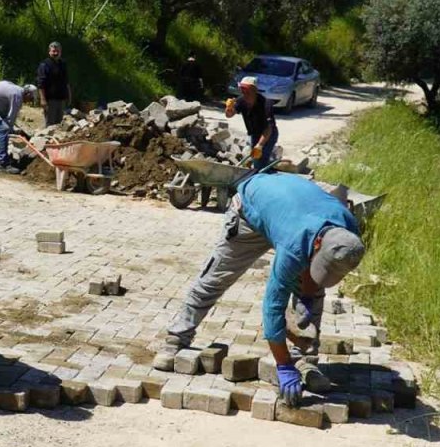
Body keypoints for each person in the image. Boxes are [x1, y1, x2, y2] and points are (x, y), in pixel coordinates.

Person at [152, 174, 366, 406]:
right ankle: (177, 337)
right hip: (250, 211)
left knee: (314, 294)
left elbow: (317, 262)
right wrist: (282, 366)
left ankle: (305, 358)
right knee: (216, 276)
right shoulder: (294, 244)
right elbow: (273, 306)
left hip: (291, 214)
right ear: (317, 244)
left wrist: (306, 294)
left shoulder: (348, 233)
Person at [226, 76, 278, 170]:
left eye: (247, 91)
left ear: (254, 90)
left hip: (268, 135)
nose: (244, 93)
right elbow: (229, 115)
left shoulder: (266, 104)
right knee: (256, 159)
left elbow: (268, 128)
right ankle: (263, 170)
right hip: (255, 133)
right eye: (242, 90)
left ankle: (263, 177)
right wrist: (229, 108)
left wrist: (260, 145)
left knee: (260, 161)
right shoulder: (241, 100)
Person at [36, 41, 72, 126]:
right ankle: (48, 139)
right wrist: (42, 99)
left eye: (57, 51)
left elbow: (66, 81)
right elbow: (40, 83)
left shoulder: (63, 64)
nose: (55, 53)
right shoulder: (44, 65)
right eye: (53, 51)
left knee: (59, 124)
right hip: (50, 100)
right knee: (50, 124)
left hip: (61, 99)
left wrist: (69, 95)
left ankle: (57, 139)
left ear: (60, 52)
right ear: (49, 52)